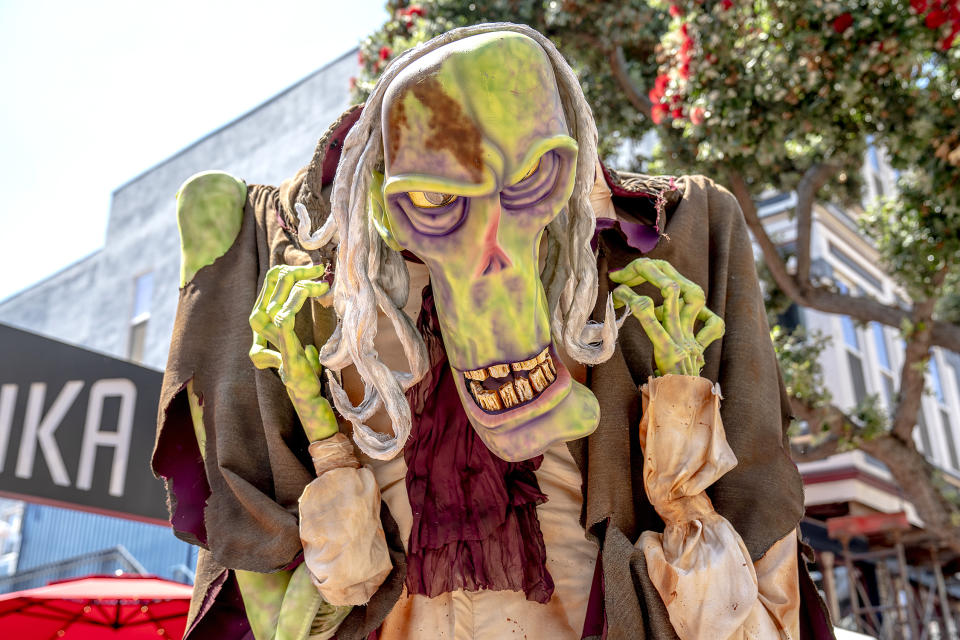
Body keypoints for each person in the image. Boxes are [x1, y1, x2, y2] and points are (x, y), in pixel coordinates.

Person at [154, 22, 833, 640]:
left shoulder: (675, 238)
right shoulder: (294, 264)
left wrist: (684, 480)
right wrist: (327, 446)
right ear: (390, 207)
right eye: (434, 201)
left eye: (528, 183)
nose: (492, 251)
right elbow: (268, 591)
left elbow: (756, 564)